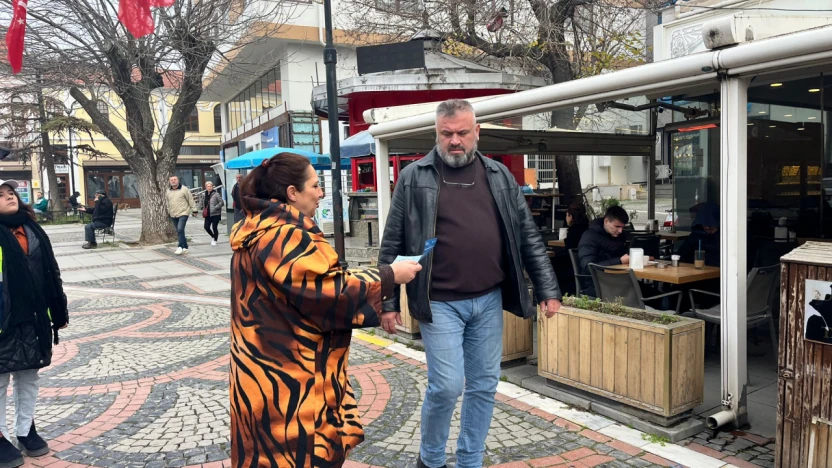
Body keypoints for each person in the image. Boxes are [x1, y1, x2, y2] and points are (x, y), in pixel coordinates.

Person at [378, 99, 561, 468]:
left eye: (462, 132)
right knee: (446, 386)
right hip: (438, 301)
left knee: (484, 385)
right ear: (436, 134)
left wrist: (548, 289)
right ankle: (431, 460)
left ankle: (470, 460)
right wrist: (388, 303)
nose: (455, 140)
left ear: (477, 132)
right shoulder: (414, 177)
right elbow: (392, 242)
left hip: (488, 300)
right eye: (446, 133)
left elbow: (527, 235)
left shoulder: (499, 176)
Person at [228, 153, 421, 468]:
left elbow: (315, 282)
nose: (321, 193)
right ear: (292, 193)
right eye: (315, 186)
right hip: (293, 386)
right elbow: (330, 295)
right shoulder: (285, 236)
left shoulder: (258, 230)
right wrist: (390, 276)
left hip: (264, 376)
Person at [0, 180, 68, 468]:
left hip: (34, 316)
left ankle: (25, 429)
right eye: (1, 195)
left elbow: (50, 271)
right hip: (3, 320)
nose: (9, 197)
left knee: (29, 375)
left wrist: (58, 310)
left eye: (11, 193)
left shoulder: (32, 228)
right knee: (0, 379)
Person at [577, 205, 630, 297]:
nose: (620, 231)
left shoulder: (618, 236)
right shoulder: (589, 237)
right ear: (606, 221)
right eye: (617, 226)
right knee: (644, 294)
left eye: (622, 227)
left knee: (650, 293)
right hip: (596, 284)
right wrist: (619, 261)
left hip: (618, 280)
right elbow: (588, 267)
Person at [552, 202, 590, 296]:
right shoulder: (587, 229)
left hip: (571, 267)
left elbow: (568, 252)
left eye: (567, 215)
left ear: (570, 216)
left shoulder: (574, 231)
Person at [678, 201, 719, 267]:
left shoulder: (724, 238)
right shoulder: (695, 236)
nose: (707, 227)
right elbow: (681, 255)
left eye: (711, 225)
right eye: (704, 224)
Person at [165, 176, 196, 255]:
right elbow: (167, 202)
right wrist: (168, 211)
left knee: (180, 229)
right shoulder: (168, 191)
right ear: (169, 182)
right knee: (180, 231)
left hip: (183, 213)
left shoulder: (184, 189)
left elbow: (190, 199)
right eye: (171, 180)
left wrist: (194, 209)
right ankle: (185, 246)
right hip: (173, 214)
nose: (173, 181)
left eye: (175, 179)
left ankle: (180, 246)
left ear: (178, 180)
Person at [198, 181, 223, 246]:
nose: (209, 188)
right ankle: (213, 236)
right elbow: (201, 202)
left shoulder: (216, 194)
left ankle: (215, 240)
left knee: (214, 227)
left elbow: (221, 202)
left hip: (215, 214)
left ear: (212, 187)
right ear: (206, 187)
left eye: (210, 186)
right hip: (207, 214)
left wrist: (215, 207)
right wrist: (199, 208)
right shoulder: (204, 195)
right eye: (208, 186)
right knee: (206, 227)